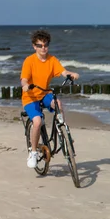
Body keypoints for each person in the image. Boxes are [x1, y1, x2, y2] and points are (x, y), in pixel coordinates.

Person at [20, 30, 79, 168]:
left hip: (45, 94)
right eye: (40, 45)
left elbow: (62, 71)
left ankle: (63, 131)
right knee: (38, 121)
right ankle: (33, 152)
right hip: (30, 97)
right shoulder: (29, 61)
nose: (43, 48)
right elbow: (24, 79)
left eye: (45, 45)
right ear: (34, 46)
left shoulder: (52, 60)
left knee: (57, 103)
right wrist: (25, 85)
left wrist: (71, 74)